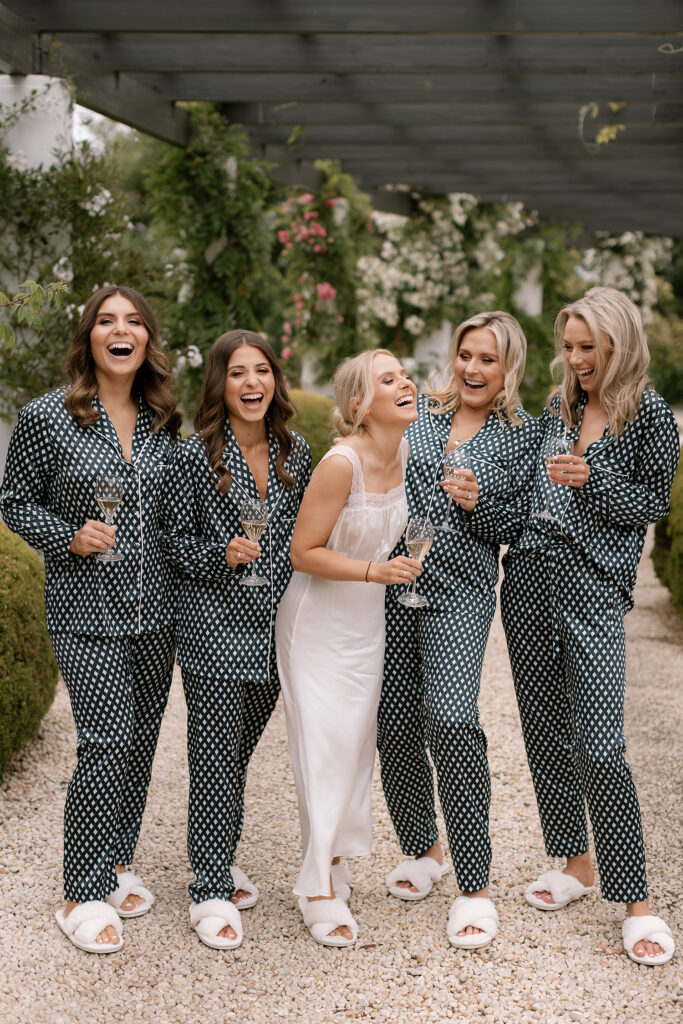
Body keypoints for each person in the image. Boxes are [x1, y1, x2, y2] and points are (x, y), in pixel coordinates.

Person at [501, 287, 679, 966]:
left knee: (600, 745)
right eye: (570, 347)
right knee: (544, 729)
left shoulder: (650, 414)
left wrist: (590, 482)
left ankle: (636, 902)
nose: (576, 359)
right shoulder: (559, 406)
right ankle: (575, 863)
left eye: (588, 348)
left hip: (593, 587)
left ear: (618, 344)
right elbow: (527, 491)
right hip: (529, 577)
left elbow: (651, 503)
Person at [0, 285, 181, 953]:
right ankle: (80, 890)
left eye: (133, 321)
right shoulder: (48, 416)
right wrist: (68, 536)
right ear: (89, 337)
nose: (120, 329)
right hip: (85, 611)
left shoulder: (164, 421)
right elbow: (13, 501)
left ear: (147, 339)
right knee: (106, 742)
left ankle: (115, 862)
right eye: (106, 320)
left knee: (139, 744)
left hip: (156, 610)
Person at [377, 312, 539, 949]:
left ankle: (474, 887)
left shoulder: (522, 435)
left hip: (461, 593)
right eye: (466, 355)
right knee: (392, 722)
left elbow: (517, 524)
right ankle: (424, 848)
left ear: (508, 367)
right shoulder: (420, 410)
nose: (472, 369)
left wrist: (478, 505)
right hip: (394, 584)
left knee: (449, 719)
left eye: (487, 360)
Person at [162, 329, 311, 950]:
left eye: (262, 371)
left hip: (277, 631)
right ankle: (210, 887)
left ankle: (215, 855)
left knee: (236, 754)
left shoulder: (297, 452)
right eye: (238, 373)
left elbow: (310, 536)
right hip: (213, 628)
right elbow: (170, 542)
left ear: (275, 379)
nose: (252, 383)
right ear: (219, 384)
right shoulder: (192, 456)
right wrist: (217, 554)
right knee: (216, 759)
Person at [275, 349, 423, 947]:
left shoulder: (406, 451)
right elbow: (302, 552)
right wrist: (373, 572)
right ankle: (315, 887)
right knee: (323, 750)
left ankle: (332, 859)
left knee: (355, 749)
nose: (406, 382)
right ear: (359, 403)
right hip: (316, 625)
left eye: (404, 374)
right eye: (389, 379)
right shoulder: (341, 464)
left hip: (366, 625)